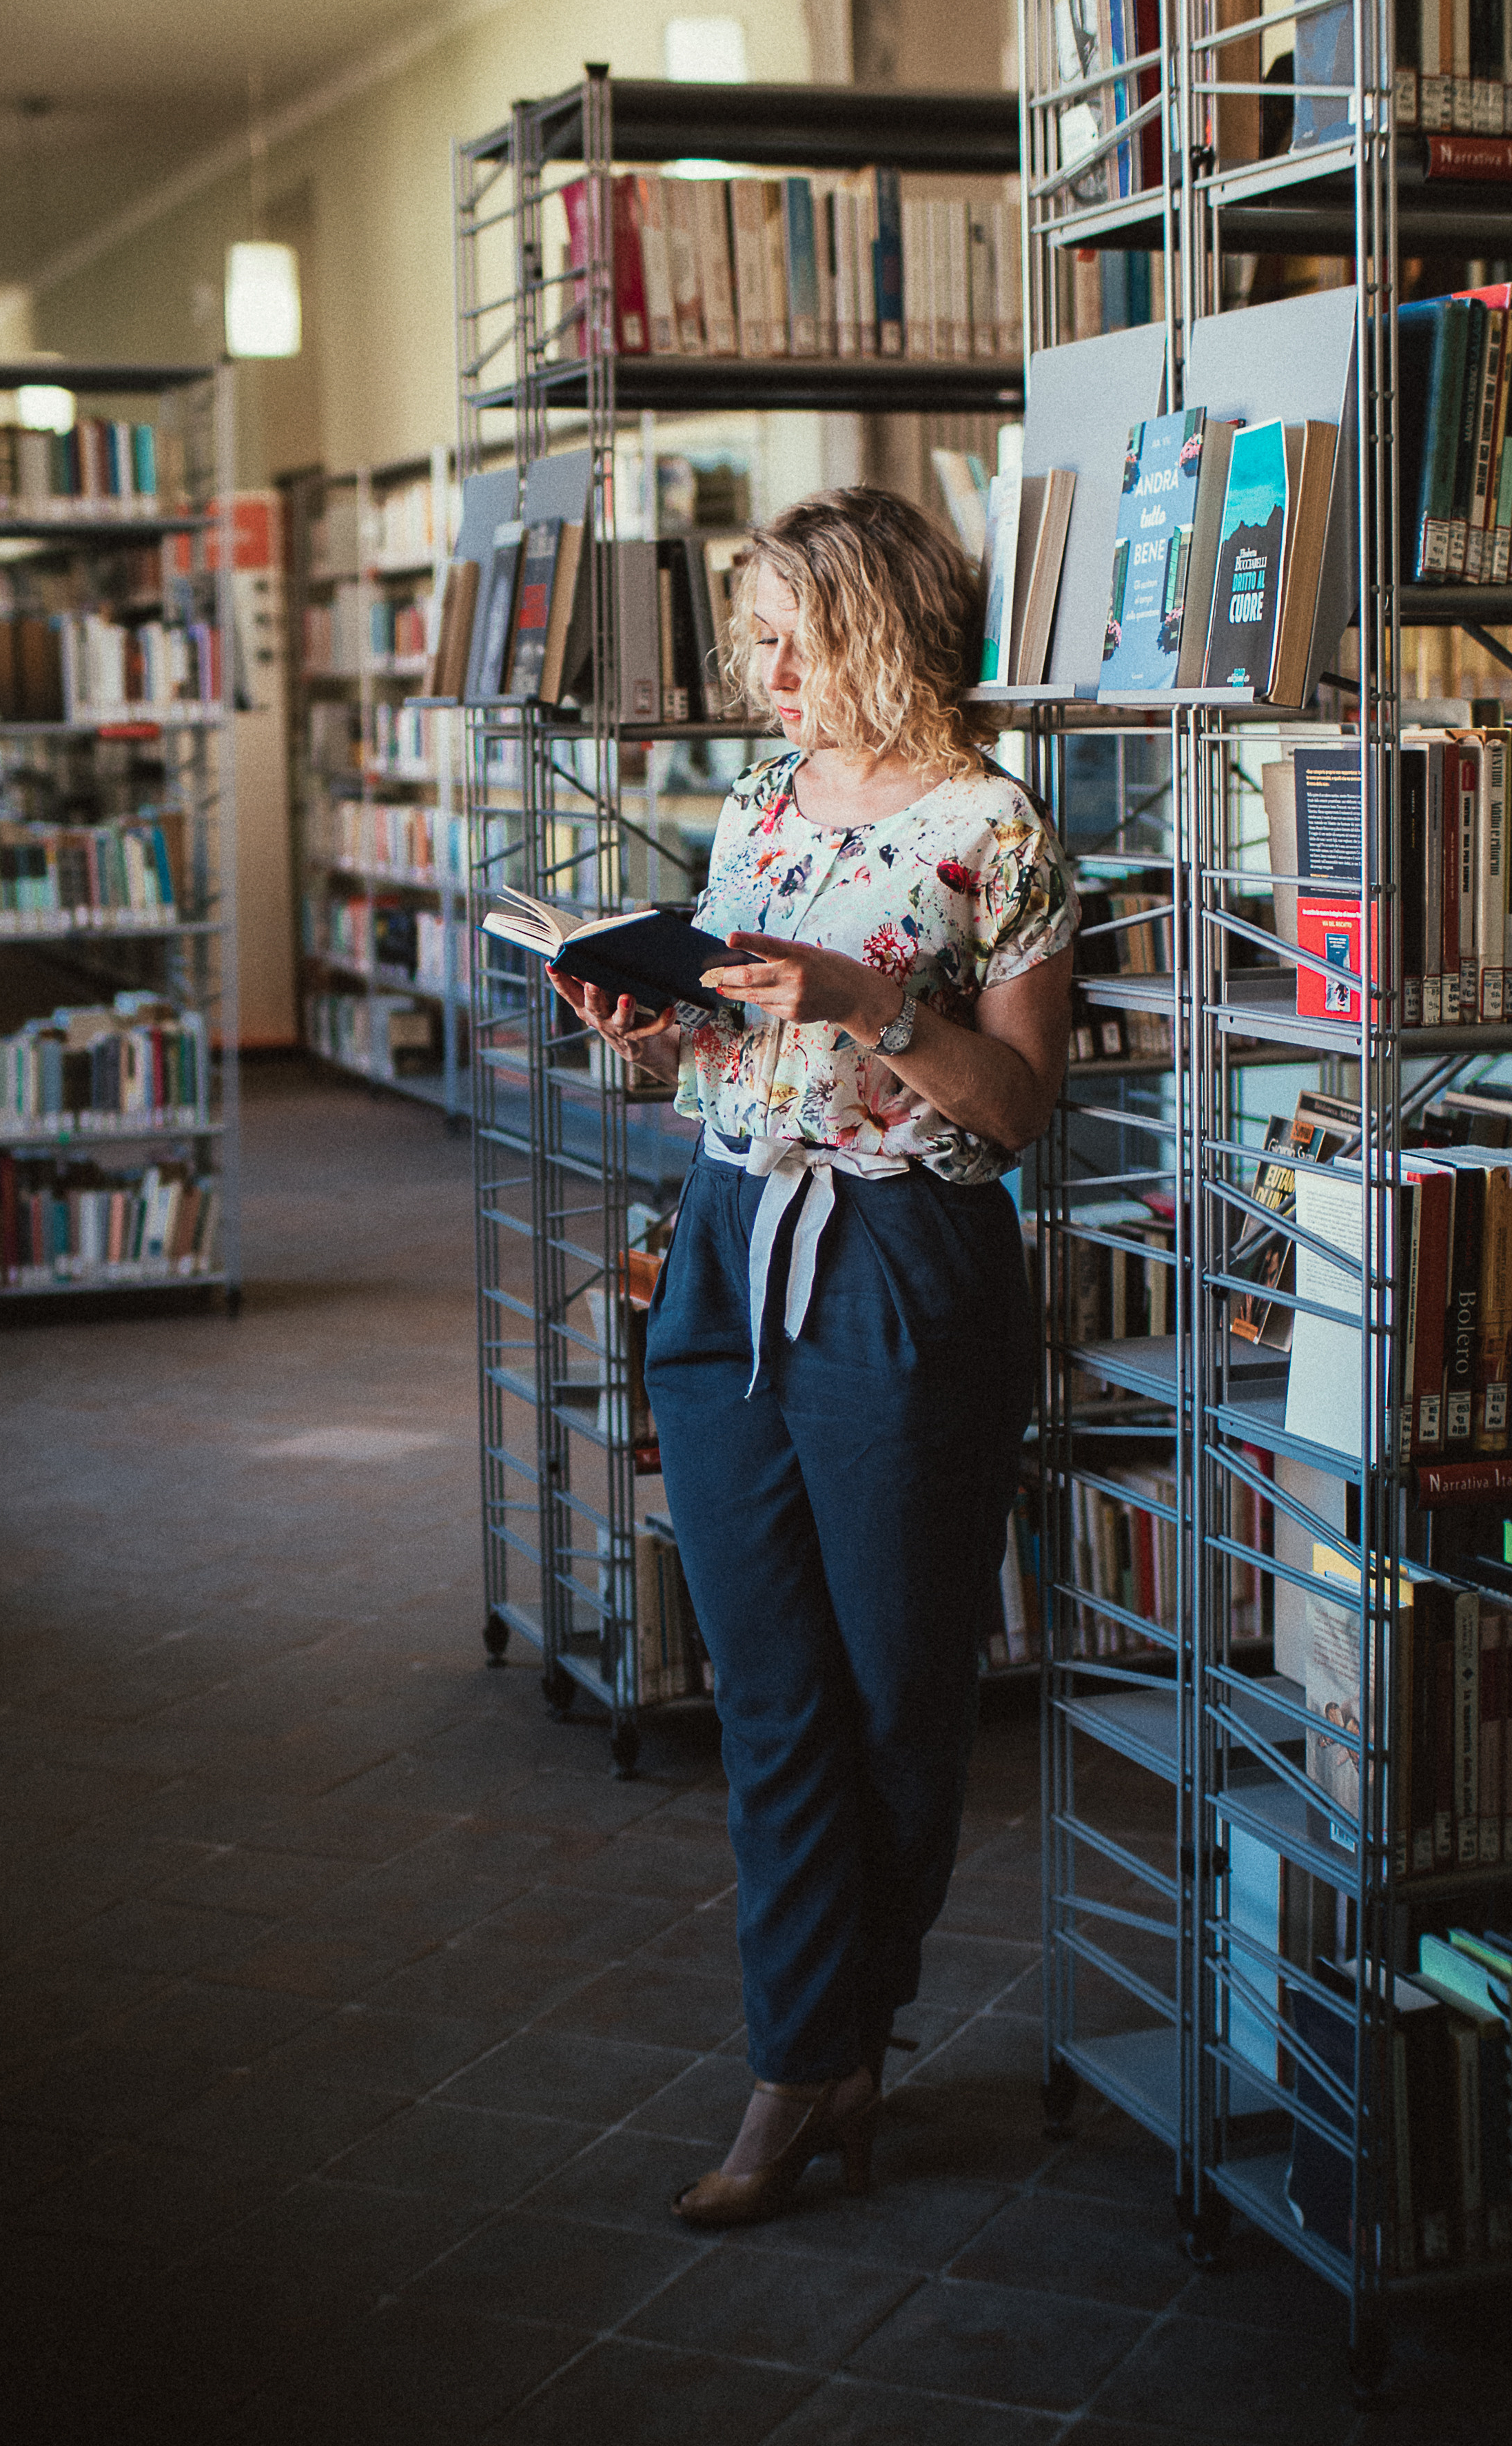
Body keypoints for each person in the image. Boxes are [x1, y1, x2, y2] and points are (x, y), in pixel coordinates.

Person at [547, 485, 1076, 2227]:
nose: (765, 672)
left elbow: (1017, 1114)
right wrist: (648, 1035)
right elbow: (736, 1049)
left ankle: (842, 2040)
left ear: (886, 628)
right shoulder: (761, 801)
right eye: (754, 638)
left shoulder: (997, 829)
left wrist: (873, 1005)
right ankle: (803, 2062)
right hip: (726, 1242)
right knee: (768, 1689)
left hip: (903, 1267)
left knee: (900, 1691)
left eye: (797, 636)